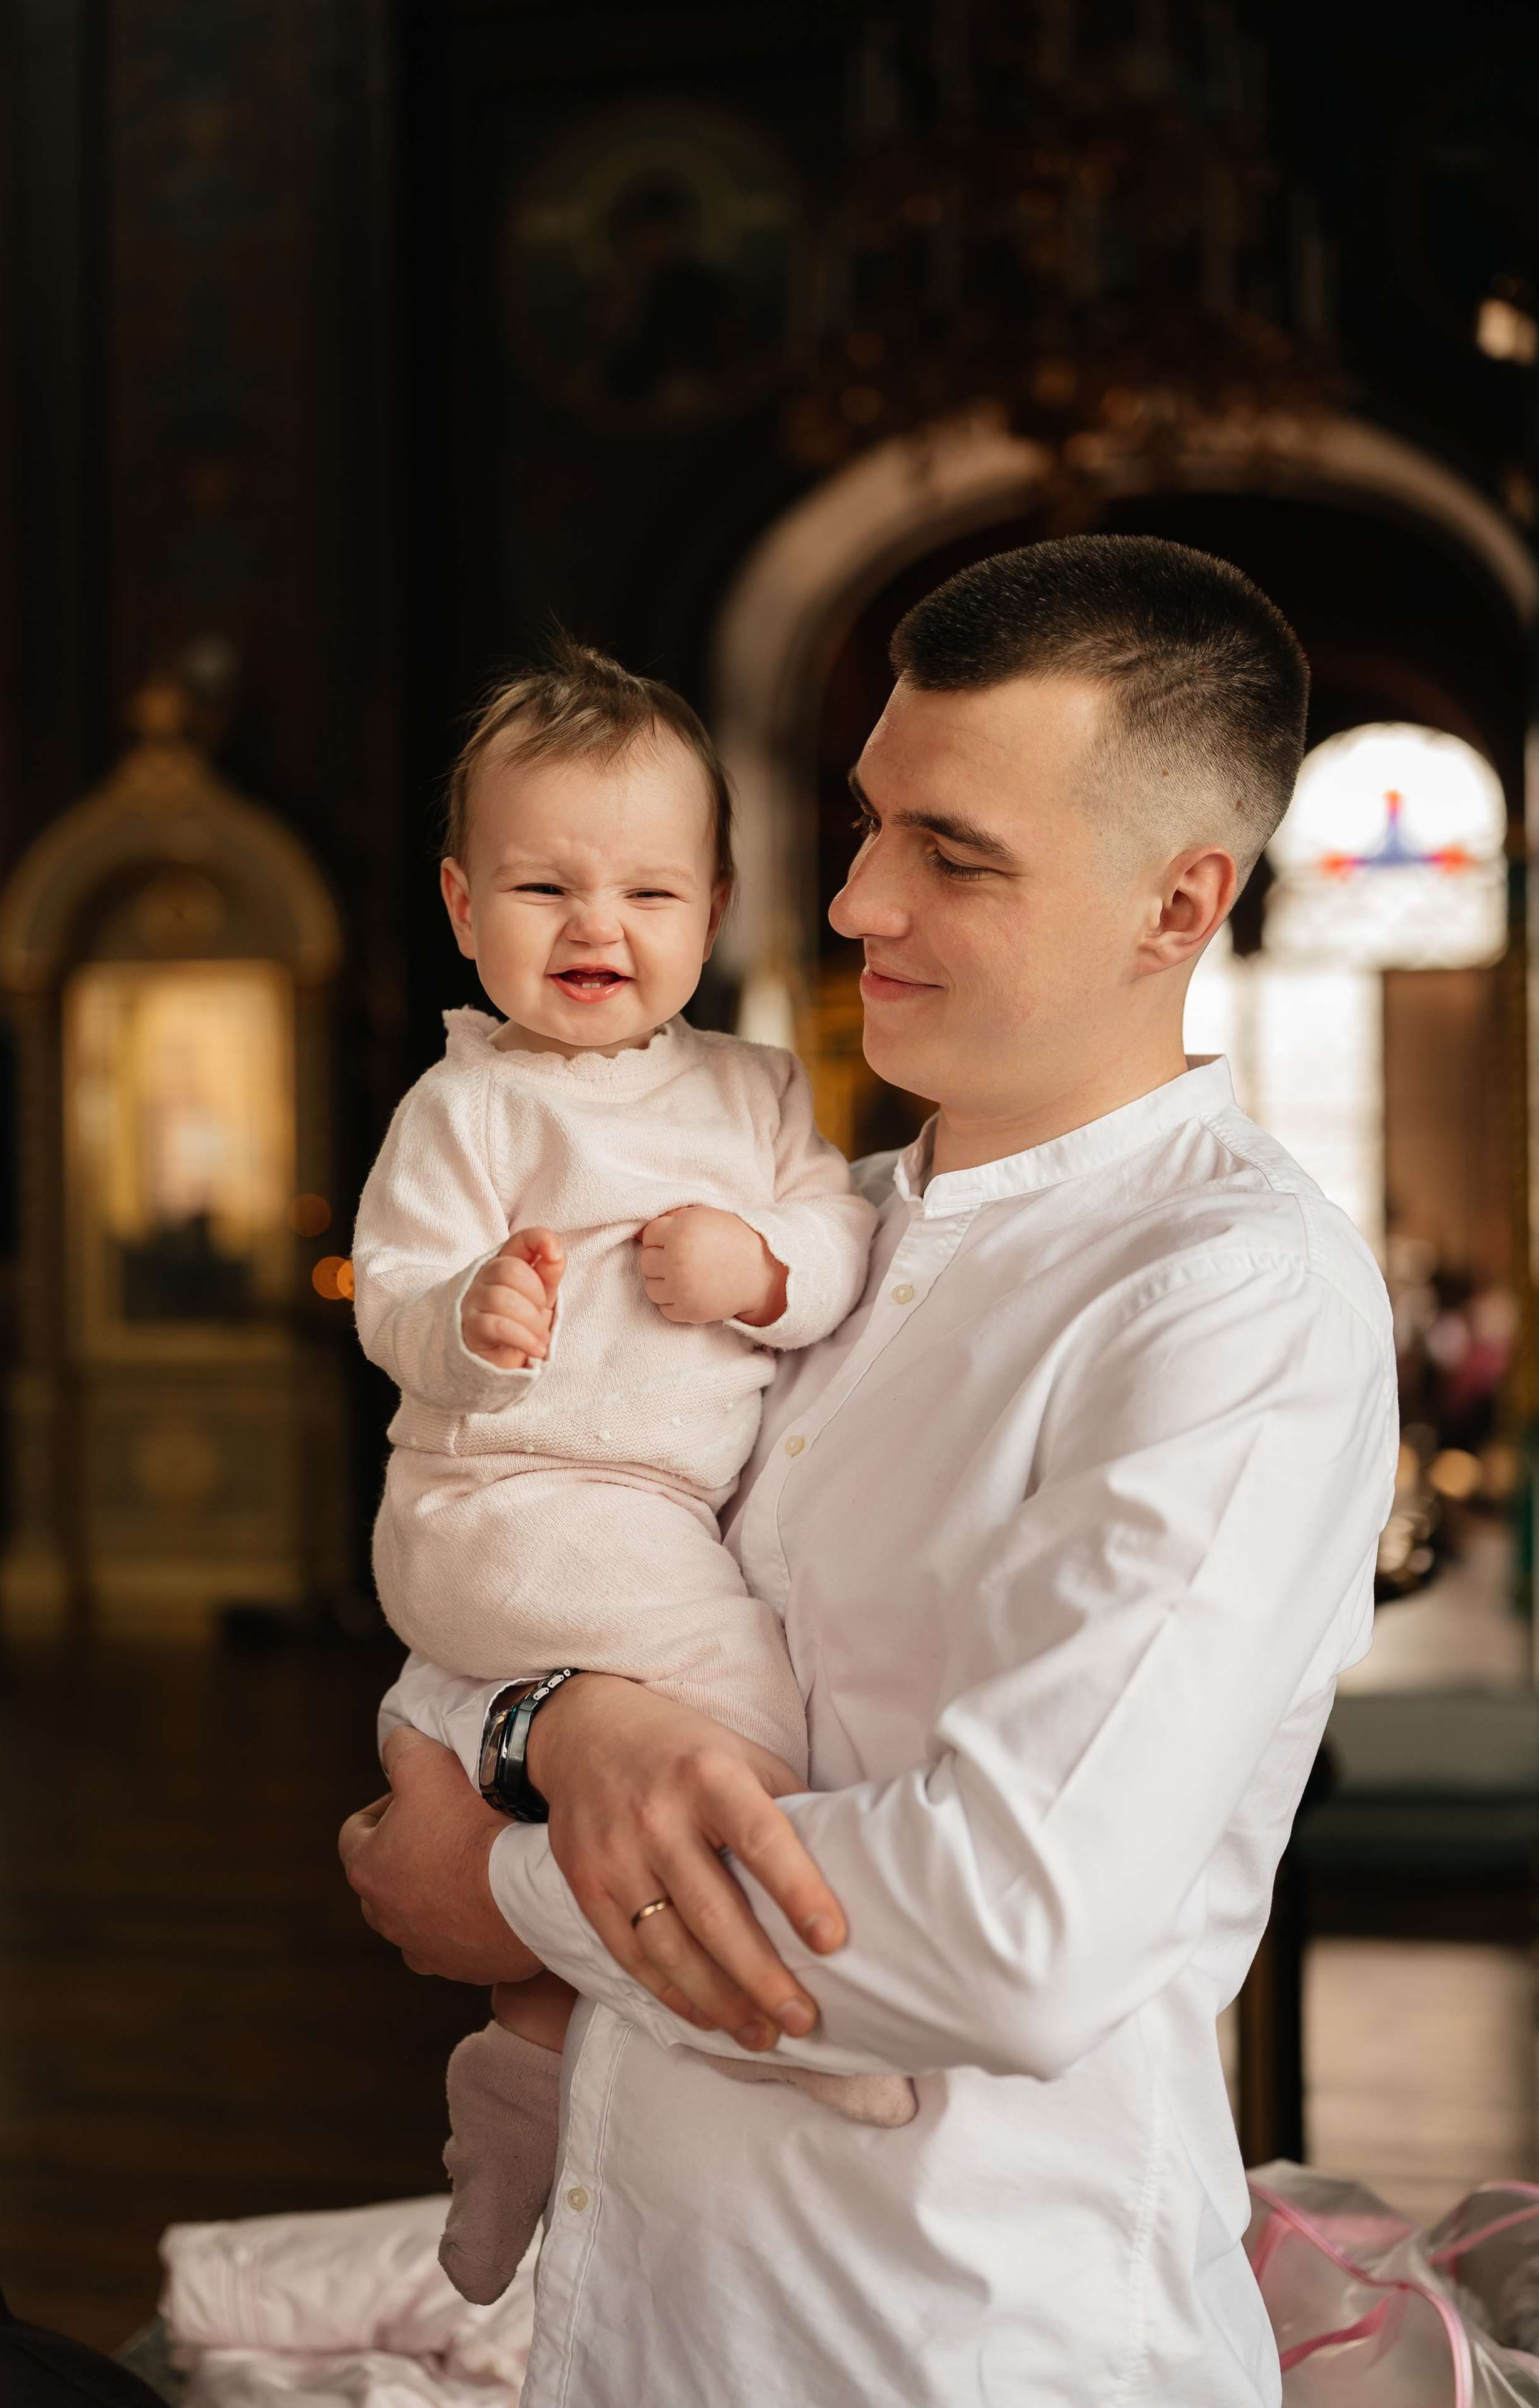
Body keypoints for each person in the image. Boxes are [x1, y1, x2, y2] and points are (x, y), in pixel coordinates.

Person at [342, 535, 1397, 2407]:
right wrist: (552, 1731)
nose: (851, 903)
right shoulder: (804, 1221)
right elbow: (548, 1546)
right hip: (644, 2311)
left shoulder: (1231, 1301)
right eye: (867, 828)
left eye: (950, 854)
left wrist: (500, 1891)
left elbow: (1010, 1928)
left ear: (1180, 904)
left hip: (954, 2339)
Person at [351, 643, 901, 2307]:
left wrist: (753, 1265)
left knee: (597, 1746)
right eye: (542, 884)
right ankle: (787, 2007)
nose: (599, 929)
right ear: (462, 904)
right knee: (747, 1698)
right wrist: (479, 1314)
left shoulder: (754, 1090)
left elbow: (838, 1236)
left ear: (720, 903)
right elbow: (391, 1292)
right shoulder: (464, 1107)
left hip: (627, 1530)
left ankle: (521, 2074)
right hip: (512, 1502)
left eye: (650, 890)